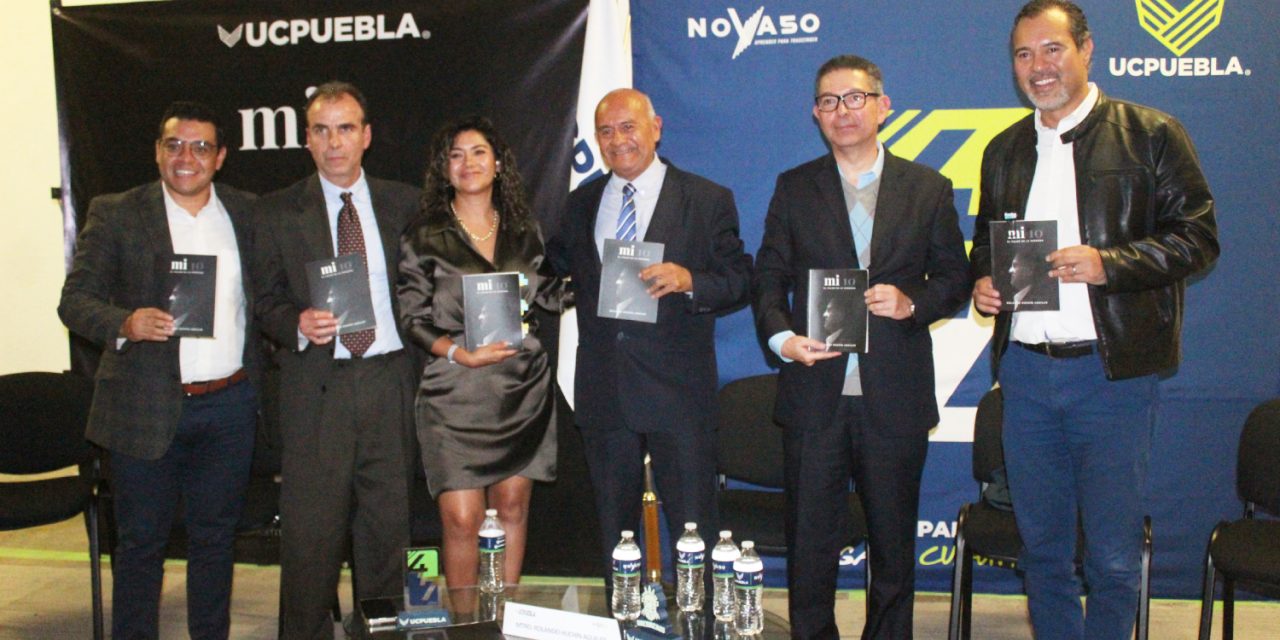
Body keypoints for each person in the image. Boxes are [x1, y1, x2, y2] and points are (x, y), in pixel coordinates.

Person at [969, 2, 1219, 639]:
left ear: (1086, 49)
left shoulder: (1151, 133)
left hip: (1111, 375)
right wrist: (984, 285)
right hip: (1025, 375)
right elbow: (985, 245)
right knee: (1043, 554)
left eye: (1052, 49)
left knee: (1110, 555)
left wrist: (1110, 264)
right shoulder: (1003, 149)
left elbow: (1198, 239)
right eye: (1024, 54)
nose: (1038, 66)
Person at [751, 55, 970, 639]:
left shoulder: (927, 188)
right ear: (816, 114)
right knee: (809, 548)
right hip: (814, 393)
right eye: (829, 101)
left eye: (854, 98)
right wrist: (782, 339)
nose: (842, 111)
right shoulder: (795, 187)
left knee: (894, 550)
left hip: (894, 397)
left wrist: (912, 303)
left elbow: (956, 278)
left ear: (882, 106)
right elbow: (768, 277)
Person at [58, 101, 259, 640]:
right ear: (157, 152)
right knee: (141, 544)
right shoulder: (117, 212)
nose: (186, 157)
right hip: (142, 406)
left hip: (228, 406)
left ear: (220, 157)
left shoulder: (247, 212)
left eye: (200, 147)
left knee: (215, 541)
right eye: (174, 145)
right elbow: (74, 301)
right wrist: (125, 322)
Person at [546, 88, 752, 581]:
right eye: (606, 131)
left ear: (655, 128)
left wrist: (689, 280)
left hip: (678, 396)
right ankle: (625, 620)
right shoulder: (580, 203)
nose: (617, 140)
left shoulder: (706, 199)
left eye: (628, 127)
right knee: (614, 538)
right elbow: (553, 270)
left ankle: (699, 620)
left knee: (694, 534)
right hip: (604, 395)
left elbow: (741, 280)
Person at [253, 81, 420, 639]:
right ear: (307, 139)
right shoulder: (278, 211)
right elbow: (264, 302)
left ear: (366, 136)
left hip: (389, 381)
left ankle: (381, 632)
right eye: (321, 131)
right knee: (310, 539)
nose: (333, 143)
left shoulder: (406, 204)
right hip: (316, 387)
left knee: (386, 530)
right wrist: (295, 323)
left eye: (345, 129)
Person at [397, 116, 561, 592]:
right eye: (456, 155)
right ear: (444, 168)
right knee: (463, 519)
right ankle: (467, 623)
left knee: (511, 509)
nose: (467, 163)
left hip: (520, 388)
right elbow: (412, 318)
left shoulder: (524, 229)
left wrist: (605, 278)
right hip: (455, 392)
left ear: (498, 164)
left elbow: (549, 293)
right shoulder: (424, 235)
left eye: (478, 152)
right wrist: (459, 354)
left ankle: (504, 618)